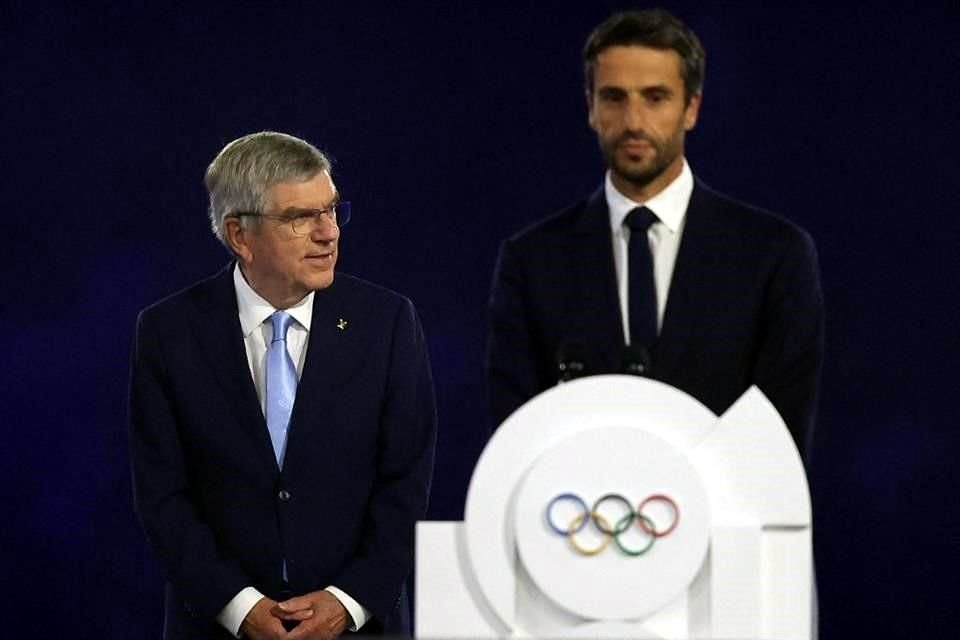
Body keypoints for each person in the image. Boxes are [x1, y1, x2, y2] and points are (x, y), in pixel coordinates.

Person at [129, 131, 436, 639]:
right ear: (240, 236)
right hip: (216, 627)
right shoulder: (167, 333)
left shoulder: (388, 323)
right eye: (300, 218)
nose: (328, 233)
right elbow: (162, 497)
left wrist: (348, 601)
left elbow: (407, 481)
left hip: (359, 627)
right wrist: (240, 607)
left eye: (332, 210)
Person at [486, 8, 824, 458]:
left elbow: (778, 439)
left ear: (692, 108)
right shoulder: (531, 261)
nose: (634, 122)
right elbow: (517, 442)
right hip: (575, 521)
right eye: (614, 98)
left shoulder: (774, 255)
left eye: (655, 97)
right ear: (590, 106)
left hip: (724, 523)